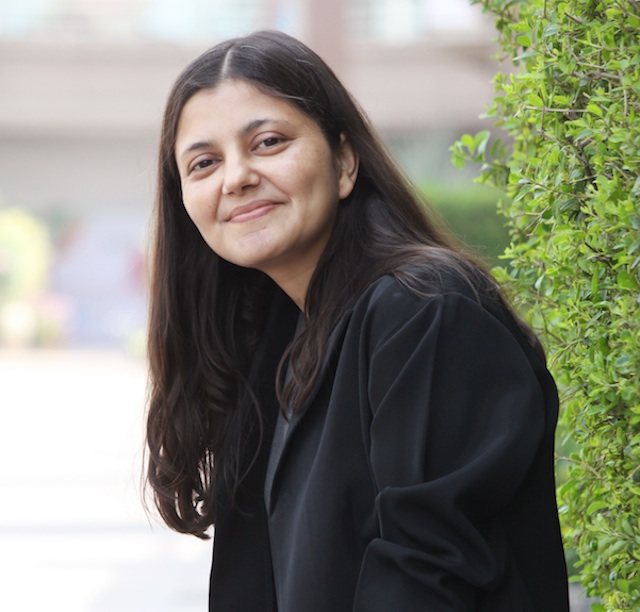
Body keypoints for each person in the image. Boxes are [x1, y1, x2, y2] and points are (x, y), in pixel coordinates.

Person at [145, 30, 569, 611]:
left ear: (344, 161)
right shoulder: (279, 340)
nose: (235, 176)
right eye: (204, 163)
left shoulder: (425, 314)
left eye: (268, 142)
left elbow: (427, 579)